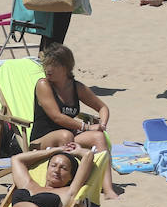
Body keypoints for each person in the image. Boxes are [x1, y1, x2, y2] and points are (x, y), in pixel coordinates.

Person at [29, 44, 118, 198]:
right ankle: (72, 184)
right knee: (65, 135)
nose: (48, 69)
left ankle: (108, 189)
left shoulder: (76, 88)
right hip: (42, 140)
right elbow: (56, 116)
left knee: (98, 137)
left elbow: (102, 107)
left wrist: (102, 125)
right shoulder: (43, 85)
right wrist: (86, 126)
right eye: (46, 65)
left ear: (65, 67)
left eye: (53, 65)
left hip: (69, 138)